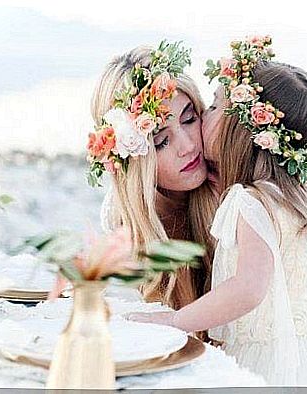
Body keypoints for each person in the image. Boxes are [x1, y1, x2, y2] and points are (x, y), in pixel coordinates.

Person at [128, 36, 307, 387]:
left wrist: (176, 322)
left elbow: (248, 288)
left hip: (272, 359)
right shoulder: (293, 195)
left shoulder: (248, 200)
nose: (205, 118)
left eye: (213, 108)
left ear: (241, 129)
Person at [89, 41, 217, 318]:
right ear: (134, 160)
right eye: (160, 142)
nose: (187, 146)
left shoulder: (235, 187)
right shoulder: (128, 235)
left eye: (189, 119)